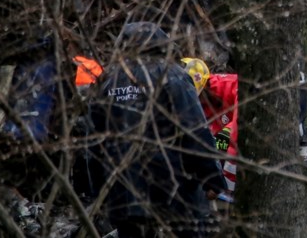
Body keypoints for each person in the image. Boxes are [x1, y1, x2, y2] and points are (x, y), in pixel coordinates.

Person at [90, 22, 226, 238]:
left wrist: (97, 191)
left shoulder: (106, 81)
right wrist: (212, 178)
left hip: (123, 193)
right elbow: (194, 130)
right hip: (174, 191)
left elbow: (94, 141)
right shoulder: (173, 76)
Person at [182, 58, 239, 203]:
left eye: (200, 95)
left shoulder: (232, 85)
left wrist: (225, 184)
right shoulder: (193, 102)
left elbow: (237, 128)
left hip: (243, 134)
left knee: (223, 138)